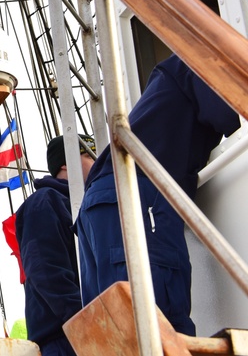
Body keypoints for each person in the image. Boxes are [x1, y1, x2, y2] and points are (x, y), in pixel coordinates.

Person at [75, 54, 240, 336]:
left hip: (98, 204)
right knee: (160, 326)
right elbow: (233, 111)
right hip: (137, 190)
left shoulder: (167, 77)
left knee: (117, 332)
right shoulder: (199, 61)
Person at [14, 134, 97, 355]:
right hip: (65, 337)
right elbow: (45, 270)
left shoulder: (90, 208)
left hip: (93, 331)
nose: (98, 161)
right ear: (66, 162)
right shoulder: (44, 202)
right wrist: (86, 318)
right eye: (89, 155)